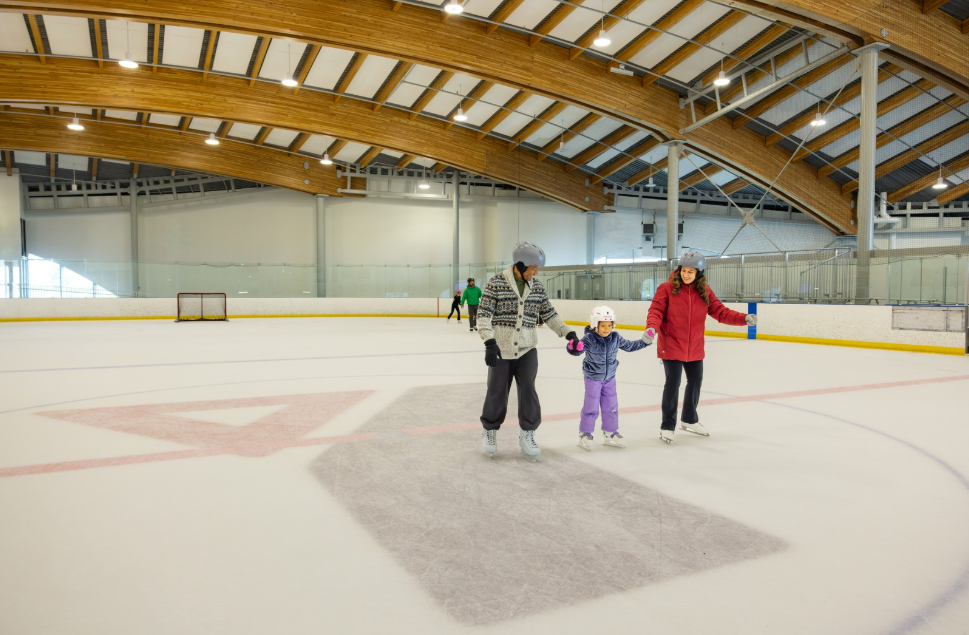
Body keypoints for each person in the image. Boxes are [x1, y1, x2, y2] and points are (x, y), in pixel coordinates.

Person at [477, 241, 580, 460]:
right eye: (533, 267)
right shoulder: (496, 283)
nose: (535, 272)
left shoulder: (538, 287)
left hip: (527, 349)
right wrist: (489, 341)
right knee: (496, 392)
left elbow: (549, 314)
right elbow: (483, 314)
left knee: (529, 392)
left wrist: (567, 332)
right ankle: (490, 431)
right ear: (520, 264)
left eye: (537, 268)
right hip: (502, 350)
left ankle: (528, 434)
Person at [644, 250, 756, 444]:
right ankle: (667, 426)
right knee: (673, 384)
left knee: (696, 381)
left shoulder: (705, 291)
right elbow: (656, 311)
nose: (686, 275)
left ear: (699, 273)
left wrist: (743, 319)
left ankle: (689, 419)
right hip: (671, 345)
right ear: (679, 270)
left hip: (694, 346)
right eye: (684, 270)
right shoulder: (666, 289)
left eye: (691, 271)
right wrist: (651, 328)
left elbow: (721, 312)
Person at [570, 306, 650, 451]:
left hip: (610, 379)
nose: (607, 329)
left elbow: (630, 346)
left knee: (611, 407)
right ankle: (585, 434)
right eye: (603, 325)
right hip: (593, 379)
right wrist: (573, 347)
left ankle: (610, 433)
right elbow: (577, 350)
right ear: (595, 324)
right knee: (591, 407)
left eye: (609, 325)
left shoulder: (615, 337)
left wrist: (645, 341)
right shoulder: (589, 338)